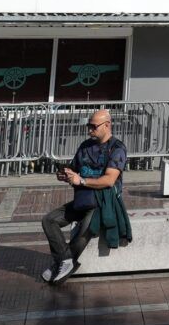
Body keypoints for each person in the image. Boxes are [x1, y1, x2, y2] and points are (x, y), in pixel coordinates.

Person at [41, 109, 128, 283]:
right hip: (84, 198)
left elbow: (109, 180)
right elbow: (74, 170)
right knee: (48, 220)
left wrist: (80, 180)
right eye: (88, 126)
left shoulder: (117, 148)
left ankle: (62, 263)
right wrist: (66, 175)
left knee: (85, 229)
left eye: (93, 127)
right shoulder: (85, 146)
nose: (90, 130)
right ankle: (64, 261)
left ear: (107, 125)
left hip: (104, 200)